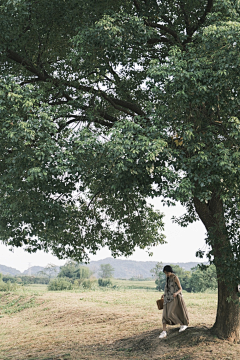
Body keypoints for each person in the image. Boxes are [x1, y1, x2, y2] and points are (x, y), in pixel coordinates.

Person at [159, 265, 189, 339]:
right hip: (167, 298)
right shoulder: (167, 278)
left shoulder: (175, 278)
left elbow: (180, 289)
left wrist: (176, 293)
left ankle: (182, 324)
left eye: (166, 273)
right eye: (165, 273)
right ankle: (164, 331)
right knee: (164, 315)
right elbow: (168, 288)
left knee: (170, 314)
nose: (166, 274)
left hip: (174, 298)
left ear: (169, 271)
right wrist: (164, 294)